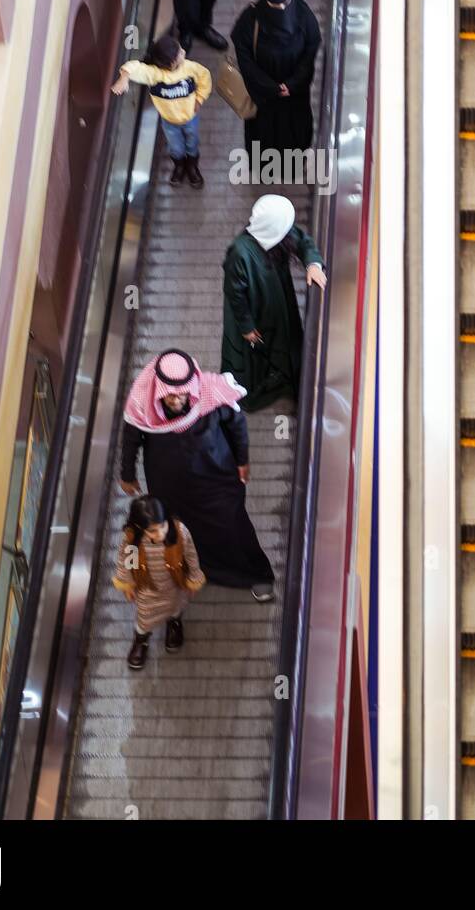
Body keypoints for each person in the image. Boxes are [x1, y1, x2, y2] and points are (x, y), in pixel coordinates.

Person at [119, 349, 275, 602]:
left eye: (182, 392)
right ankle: (191, 572)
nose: (176, 399)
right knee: (181, 531)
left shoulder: (213, 393)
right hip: (170, 488)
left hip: (217, 481)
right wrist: (127, 474)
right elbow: (131, 438)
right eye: (168, 393)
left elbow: (237, 427)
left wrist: (242, 461)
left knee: (233, 525)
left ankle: (256, 575)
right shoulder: (142, 404)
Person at [221, 195, 327, 412]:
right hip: (256, 315)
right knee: (254, 357)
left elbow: (302, 241)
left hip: (278, 307)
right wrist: (247, 327)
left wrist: (313, 264)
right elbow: (235, 295)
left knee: (286, 345)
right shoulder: (240, 253)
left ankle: (290, 384)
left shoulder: (275, 232)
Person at [231, 0, 321, 160]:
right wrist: (271, 87)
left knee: (293, 130)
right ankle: (265, 167)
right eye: (275, 5)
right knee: (265, 132)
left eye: (284, 3)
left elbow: (310, 51)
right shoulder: (251, 20)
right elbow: (245, 59)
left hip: (294, 94)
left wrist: (293, 83)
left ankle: (293, 165)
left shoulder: (304, 15)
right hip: (264, 96)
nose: (281, 8)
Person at [113, 494, 205, 671]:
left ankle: (174, 624)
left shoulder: (179, 532)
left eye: (163, 526)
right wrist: (128, 583)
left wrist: (194, 578)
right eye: (153, 530)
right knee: (145, 617)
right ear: (140, 527)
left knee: (176, 606)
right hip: (148, 588)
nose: (161, 533)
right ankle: (141, 639)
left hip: (174, 584)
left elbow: (191, 555)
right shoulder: (133, 540)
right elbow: (128, 562)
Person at [111, 32, 209, 188]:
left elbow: (205, 77)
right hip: (169, 121)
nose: (184, 52)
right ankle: (179, 166)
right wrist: (124, 78)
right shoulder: (153, 74)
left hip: (190, 118)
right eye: (179, 53)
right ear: (170, 64)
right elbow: (133, 66)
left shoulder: (190, 68)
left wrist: (199, 99)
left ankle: (192, 167)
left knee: (192, 142)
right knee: (175, 147)